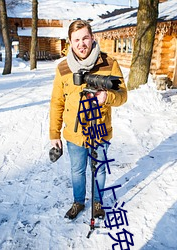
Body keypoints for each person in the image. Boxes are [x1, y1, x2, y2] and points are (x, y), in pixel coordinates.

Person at [49, 20, 127, 220]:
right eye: (76, 40)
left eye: (85, 38)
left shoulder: (109, 63)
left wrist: (107, 97)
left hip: (100, 130)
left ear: (92, 38)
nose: (81, 43)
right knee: (77, 171)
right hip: (74, 134)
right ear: (70, 42)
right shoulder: (63, 68)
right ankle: (78, 201)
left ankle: (97, 202)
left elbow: (123, 95)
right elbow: (57, 102)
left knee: (99, 170)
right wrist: (54, 134)